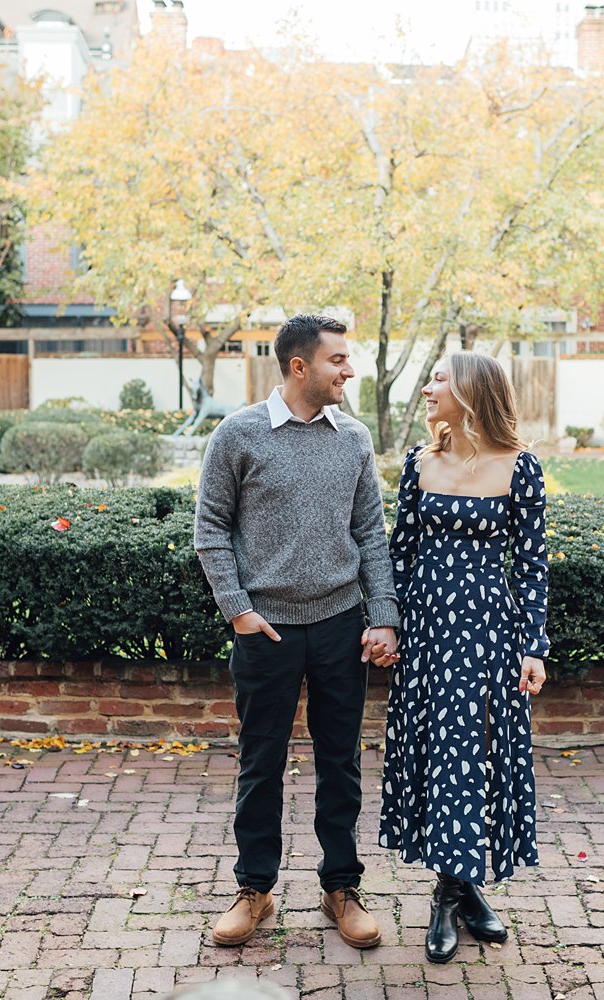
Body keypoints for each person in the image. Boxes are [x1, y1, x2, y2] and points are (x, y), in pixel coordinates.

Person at [194, 313, 401, 950]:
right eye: (339, 360)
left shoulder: (354, 438)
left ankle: (341, 887)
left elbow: (370, 533)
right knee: (261, 764)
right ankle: (255, 890)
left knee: (340, 764)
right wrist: (238, 610)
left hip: (340, 626)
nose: (350, 370)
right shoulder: (239, 435)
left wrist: (384, 614)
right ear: (300, 367)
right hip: (266, 631)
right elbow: (211, 530)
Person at [380, 350, 549, 964]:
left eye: (439, 380)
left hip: (487, 632)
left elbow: (531, 567)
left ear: (472, 392)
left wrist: (534, 644)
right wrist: (390, 622)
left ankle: (451, 895)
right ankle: (461, 891)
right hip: (428, 631)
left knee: (475, 753)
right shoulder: (418, 464)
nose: (427, 388)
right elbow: (399, 554)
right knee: (441, 753)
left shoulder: (520, 468)